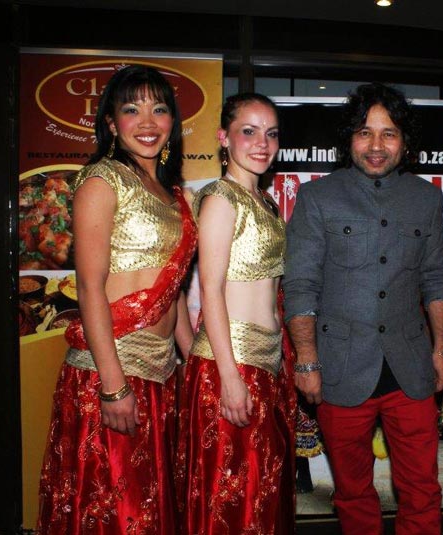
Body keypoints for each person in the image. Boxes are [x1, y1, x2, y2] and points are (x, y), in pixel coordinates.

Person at [284, 82, 443, 535]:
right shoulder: (318, 197)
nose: (376, 145)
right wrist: (307, 360)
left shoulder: (426, 198)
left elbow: (437, 278)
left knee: (422, 489)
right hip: (338, 368)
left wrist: (441, 349)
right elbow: (301, 285)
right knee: (353, 493)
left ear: (404, 141)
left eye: (389, 133)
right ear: (350, 139)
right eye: (365, 132)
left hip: (411, 367)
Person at [36, 64, 197, 534]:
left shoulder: (172, 193)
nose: (147, 122)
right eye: (132, 110)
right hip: (113, 372)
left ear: (172, 123)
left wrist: (193, 363)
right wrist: (113, 386)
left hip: (160, 373)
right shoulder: (102, 181)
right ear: (110, 123)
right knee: (116, 511)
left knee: (151, 509)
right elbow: (89, 287)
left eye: (159, 109)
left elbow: (173, 289)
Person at [178, 92, 294, 534]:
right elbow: (211, 289)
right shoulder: (221, 199)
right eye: (249, 131)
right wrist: (229, 378)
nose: (262, 143)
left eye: (271, 133)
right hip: (230, 366)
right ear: (224, 138)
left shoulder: (264, 201)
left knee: (259, 498)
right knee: (230, 503)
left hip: (264, 365)